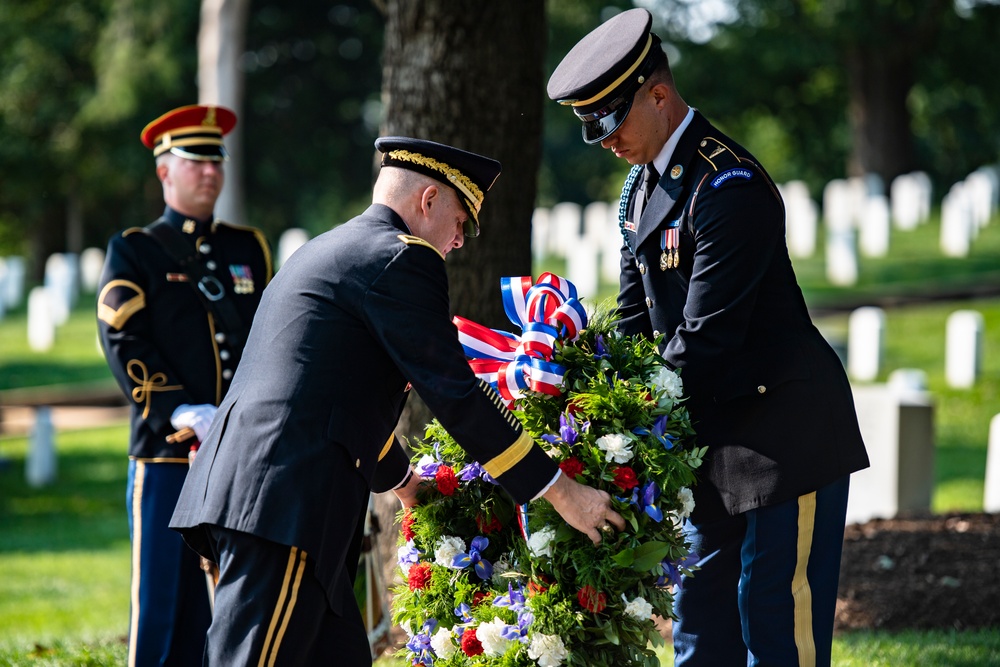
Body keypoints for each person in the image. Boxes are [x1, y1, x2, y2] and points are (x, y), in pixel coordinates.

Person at [169, 136, 625, 666]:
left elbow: (337, 395)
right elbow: (456, 395)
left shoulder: (333, 248)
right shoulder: (401, 258)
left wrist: (403, 483)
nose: (459, 242)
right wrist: (560, 491)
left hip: (281, 497)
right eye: (461, 222)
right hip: (285, 502)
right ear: (428, 200)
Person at [548, 9, 870, 667]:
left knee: (780, 635)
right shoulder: (640, 192)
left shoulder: (728, 184)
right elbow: (636, 326)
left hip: (784, 437)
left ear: (659, 95)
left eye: (614, 123)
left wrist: (624, 422)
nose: (606, 142)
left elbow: (706, 339)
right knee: (701, 632)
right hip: (711, 442)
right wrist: (580, 389)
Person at [97, 104, 273, 666]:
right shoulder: (136, 250)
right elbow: (122, 339)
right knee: (164, 604)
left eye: (216, 159)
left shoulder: (248, 249)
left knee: (234, 601)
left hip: (240, 452)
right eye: (194, 159)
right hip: (171, 457)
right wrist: (175, 409)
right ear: (163, 171)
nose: (209, 171)